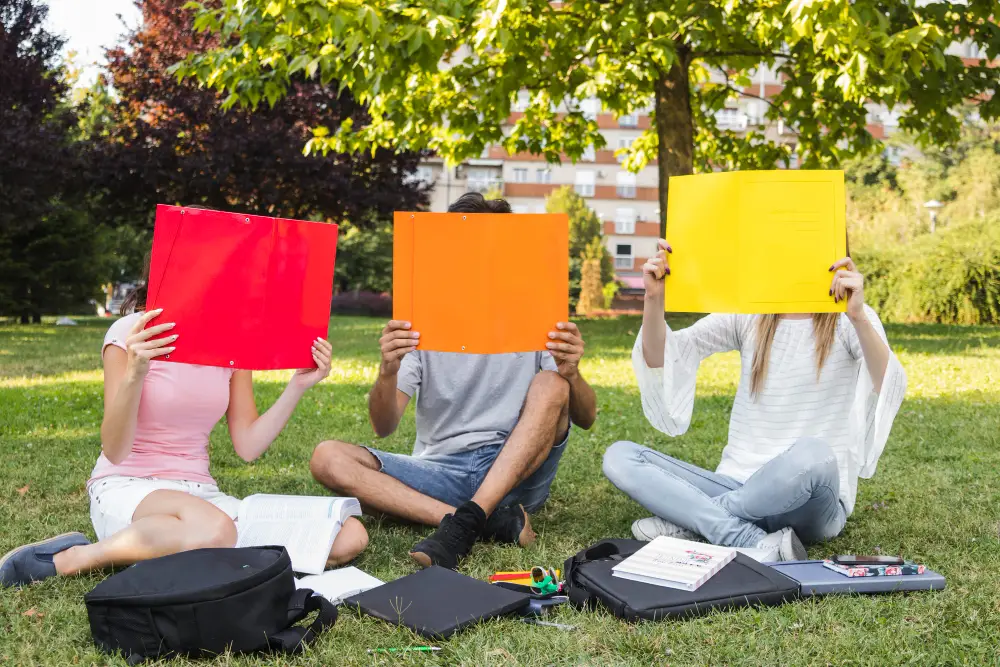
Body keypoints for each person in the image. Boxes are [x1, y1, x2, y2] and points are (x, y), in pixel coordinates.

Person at [1, 287, 368, 588]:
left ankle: (192, 550)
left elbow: (249, 445)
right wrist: (135, 372)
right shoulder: (131, 332)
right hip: (129, 486)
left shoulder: (231, 344)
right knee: (213, 528)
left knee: (349, 536)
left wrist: (298, 386)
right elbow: (114, 449)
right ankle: (75, 557)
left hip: (202, 498)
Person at [310, 192, 598, 569]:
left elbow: (586, 417)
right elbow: (383, 426)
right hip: (441, 470)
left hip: (515, 468)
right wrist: (388, 369)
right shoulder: (421, 322)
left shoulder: (535, 316)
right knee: (327, 457)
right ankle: (477, 520)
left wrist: (572, 373)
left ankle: (466, 517)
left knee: (553, 384)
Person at [602, 238, 906, 562]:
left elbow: (886, 383)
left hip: (812, 502)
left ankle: (697, 520)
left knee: (815, 454)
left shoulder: (847, 318)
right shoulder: (750, 315)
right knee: (620, 457)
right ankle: (740, 534)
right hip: (737, 483)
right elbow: (661, 356)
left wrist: (858, 316)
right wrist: (653, 297)